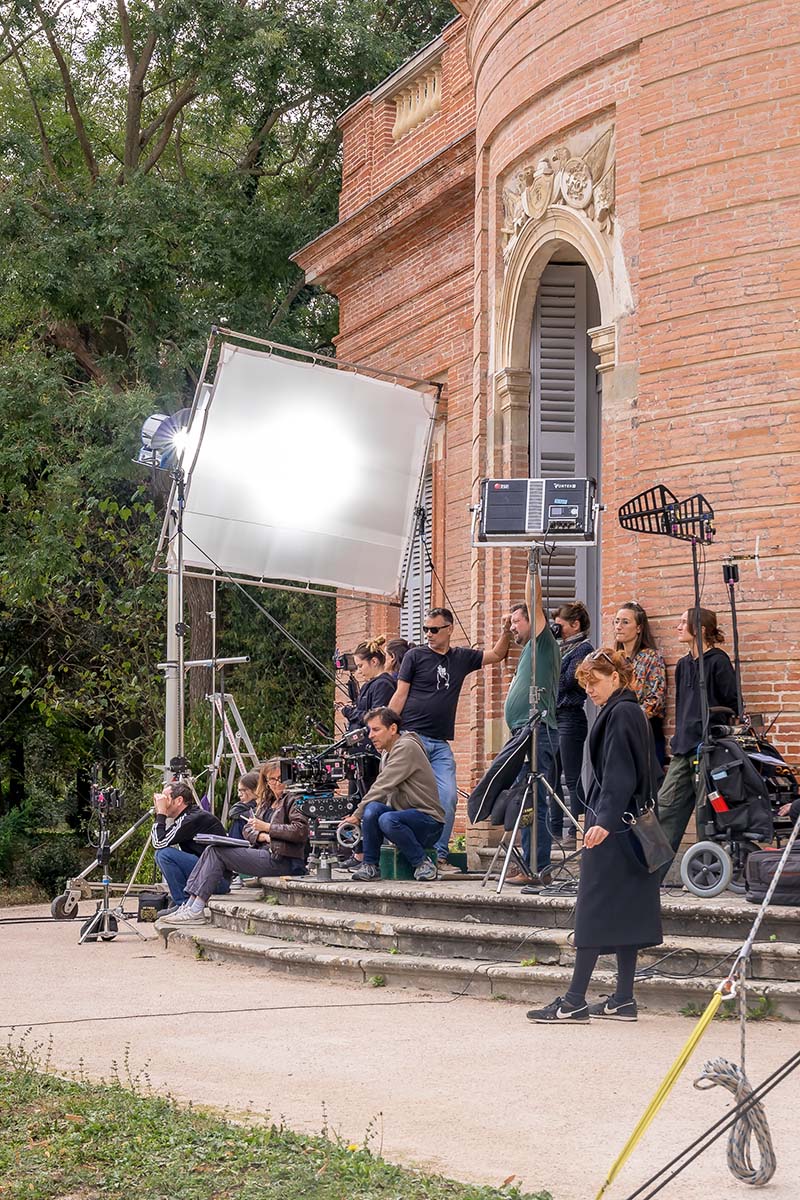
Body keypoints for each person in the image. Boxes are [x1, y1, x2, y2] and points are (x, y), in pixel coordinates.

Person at [527, 648, 662, 1023]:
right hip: (631, 825)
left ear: (616, 678)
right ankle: (623, 999)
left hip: (615, 825)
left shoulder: (620, 713)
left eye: (595, 682)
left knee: (592, 908)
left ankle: (573, 1001)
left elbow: (620, 773)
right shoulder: (629, 710)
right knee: (628, 910)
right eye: (585, 684)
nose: (590, 690)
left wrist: (601, 820)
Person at [389, 607, 512, 873]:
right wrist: (388, 729)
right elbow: (400, 694)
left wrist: (504, 632)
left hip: (440, 743)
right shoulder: (414, 656)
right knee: (407, 797)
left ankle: (440, 857)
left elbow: (497, 655)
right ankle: (413, 855)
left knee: (448, 798)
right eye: (426, 630)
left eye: (434, 629)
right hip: (413, 738)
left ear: (449, 629)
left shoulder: (461, 658)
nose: (429, 635)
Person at [156, 759, 309, 928]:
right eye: (271, 779)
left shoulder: (294, 800)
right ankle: (190, 905)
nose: (276, 784)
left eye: (280, 778)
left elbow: (300, 831)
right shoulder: (267, 803)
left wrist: (267, 828)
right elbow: (248, 830)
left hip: (283, 859)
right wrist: (263, 836)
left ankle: (195, 909)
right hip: (264, 851)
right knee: (213, 848)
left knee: (216, 852)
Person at [657, 608, 738, 879]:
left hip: (710, 747)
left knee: (707, 814)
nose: (678, 627)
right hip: (683, 748)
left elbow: (732, 703)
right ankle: (652, 874)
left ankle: (709, 874)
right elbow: (681, 707)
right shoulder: (682, 664)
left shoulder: (718, 661)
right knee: (666, 806)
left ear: (701, 629)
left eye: (683, 622)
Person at [337, 707, 444, 882]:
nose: (370, 735)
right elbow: (382, 795)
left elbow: (382, 785)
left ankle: (423, 864)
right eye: (370, 730)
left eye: (376, 729)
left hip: (429, 822)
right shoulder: (387, 753)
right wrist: (364, 813)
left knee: (386, 819)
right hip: (404, 818)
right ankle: (370, 866)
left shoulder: (406, 747)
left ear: (393, 729)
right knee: (373, 809)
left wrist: (356, 815)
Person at [503, 587, 561, 886]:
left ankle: (537, 867)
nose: (511, 627)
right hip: (524, 733)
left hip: (538, 732)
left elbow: (534, 600)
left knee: (533, 802)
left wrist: (531, 562)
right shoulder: (528, 649)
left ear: (532, 621)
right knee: (525, 801)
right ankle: (530, 864)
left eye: (516, 621)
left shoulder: (543, 642)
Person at [334, 637, 395, 869]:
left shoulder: (383, 684)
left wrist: (349, 711)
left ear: (374, 661)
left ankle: (370, 855)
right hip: (359, 753)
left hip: (370, 754)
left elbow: (374, 716)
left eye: (361, 666)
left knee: (367, 801)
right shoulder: (372, 684)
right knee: (355, 801)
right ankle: (358, 853)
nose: (359, 671)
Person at [551, 601, 594, 846]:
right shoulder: (561, 649)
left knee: (572, 777)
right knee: (551, 776)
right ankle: (555, 831)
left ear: (575, 625)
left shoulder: (583, 649)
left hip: (570, 717)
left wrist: (552, 670)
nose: (557, 631)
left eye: (560, 626)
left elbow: (568, 681)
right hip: (553, 717)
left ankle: (577, 830)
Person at [151, 781, 227, 910]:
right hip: (208, 876)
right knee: (163, 853)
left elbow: (159, 842)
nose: (162, 802)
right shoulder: (188, 816)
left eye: (166, 798)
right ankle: (182, 901)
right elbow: (159, 841)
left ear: (179, 800)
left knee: (164, 854)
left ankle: (184, 904)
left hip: (217, 880)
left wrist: (161, 814)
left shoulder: (191, 819)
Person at [614, 602, 667, 765]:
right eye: (616, 621)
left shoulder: (651, 657)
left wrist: (631, 718)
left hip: (645, 730)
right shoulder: (614, 659)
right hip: (617, 729)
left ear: (638, 628)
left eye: (625, 622)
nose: (618, 627)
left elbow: (655, 699)